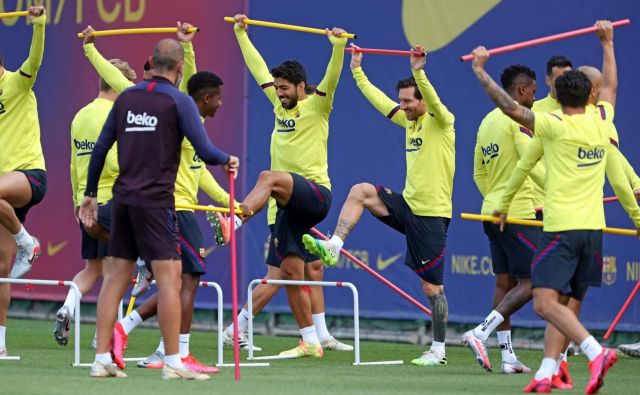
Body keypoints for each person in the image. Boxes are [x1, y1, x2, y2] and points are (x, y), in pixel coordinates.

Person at [470, 20, 640, 394]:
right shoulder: (603, 121)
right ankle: (549, 372)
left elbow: (511, 108)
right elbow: (611, 85)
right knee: (566, 306)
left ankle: (596, 352)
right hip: (593, 233)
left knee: (545, 303)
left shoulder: (551, 126)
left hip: (560, 229)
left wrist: (481, 71)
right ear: (592, 97)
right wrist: (607, 43)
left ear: (557, 98)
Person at [79, 39, 238, 380]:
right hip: (155, 204)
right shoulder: (178, 100)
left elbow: (100, 148)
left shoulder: (126, 98)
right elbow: (205, 150)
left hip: (121, 201)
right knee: (170, 280)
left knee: (116, 279)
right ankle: (173, 362)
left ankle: (101, 360)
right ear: (180, 68)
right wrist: (228, 159)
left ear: (151, 61)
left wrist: (90, 195)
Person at [303, 43, 455, 366]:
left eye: (409, 102)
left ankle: (439, 350)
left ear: (423, 100)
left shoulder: (442, 122)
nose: (403, 107)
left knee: (432, 287)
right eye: (402, 101)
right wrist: (357, 71)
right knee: (361, 191)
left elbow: (436, 103)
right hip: (408, 205)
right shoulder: (410, 122)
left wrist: (419, 72)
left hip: (432, 216)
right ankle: (335, 245)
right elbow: (381, 103)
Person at [214, 14, 347, 358]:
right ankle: (311, 340)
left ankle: (237, 219)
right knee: (288, 272)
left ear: (302, 86)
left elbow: (333, 76)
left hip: (315, 194)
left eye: (286, 88)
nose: (280, 93)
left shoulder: (318, 104)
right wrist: (241, 33)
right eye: (278, 88)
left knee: (267, 177)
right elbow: (257, 68)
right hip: (285, 204)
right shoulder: (277, 104)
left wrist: (338, 47)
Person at [113, 71, 233, 374]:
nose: (221, 104)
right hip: (175, 208)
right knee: (187, 280)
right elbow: (207, 158)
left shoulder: (192, 121)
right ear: (205, 98)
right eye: (218, 97)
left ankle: (132, 334)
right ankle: (177, 354)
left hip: (177, 207)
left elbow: (199, 170)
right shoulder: (184, 120)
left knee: (176, 282)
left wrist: (230, 203)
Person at [464, 64, 543, 374]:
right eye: (534, 92)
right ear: (521, 91)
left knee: (505, 283)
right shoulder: (516, 116)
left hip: (491, 212)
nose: (535, 98)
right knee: (534, 282)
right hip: (518, 213)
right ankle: (480, 332)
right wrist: (557, 188)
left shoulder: (486, 122)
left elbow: (478, 172)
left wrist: (495, 198)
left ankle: (508, 357)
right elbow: (530, 162)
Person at [53, 58, 136, 347]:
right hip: (113, 201)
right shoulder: (118, 114)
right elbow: (114, 162)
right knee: (119, 270)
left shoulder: (80, 115)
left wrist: (78, 201)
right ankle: (104, 336)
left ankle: (67, 307)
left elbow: (75, 164)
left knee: (93, 268)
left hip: (86, 204)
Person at [0, 5, 47, 358]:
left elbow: (35, 56)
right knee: (1, 268)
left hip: (30, 176)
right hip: (5, 193)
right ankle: (0, 344)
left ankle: (27, 242)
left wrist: (39, 25)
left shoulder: (16, 82)